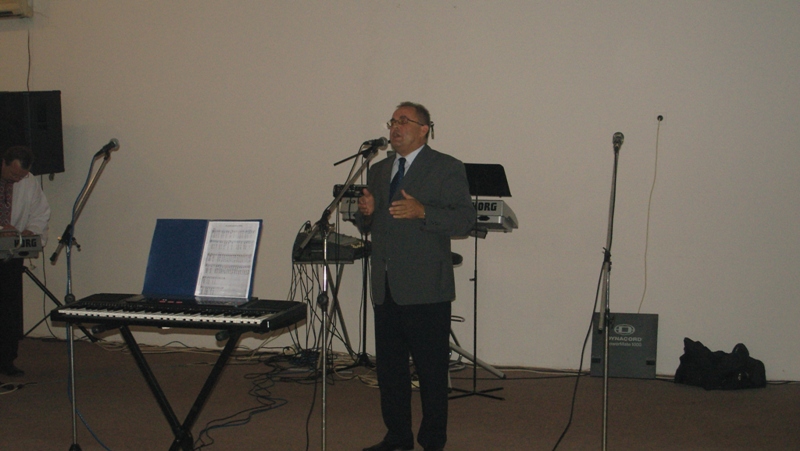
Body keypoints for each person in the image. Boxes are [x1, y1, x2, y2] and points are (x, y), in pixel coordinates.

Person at [356, 102, 475, 451]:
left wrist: (424, 211)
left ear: (424, 129)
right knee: (390, 372)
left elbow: (464, 220)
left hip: (426, 287)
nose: (395, 127)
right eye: (393, 121)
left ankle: (433, 440)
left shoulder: (446, 167)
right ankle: (397, 437)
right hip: (385, 285)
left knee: (431, 372)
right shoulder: (379, 169)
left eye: (404, 121)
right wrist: (366, 213)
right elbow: (370, 223)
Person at [0, 146, 50, 377]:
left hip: (10, 254)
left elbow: (41, 211)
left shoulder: (28, 181)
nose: (17, 179)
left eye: (21, 176)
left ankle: (6, 360)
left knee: (9, 309)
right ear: (3, 163)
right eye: (13, 174)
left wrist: (32, 230)